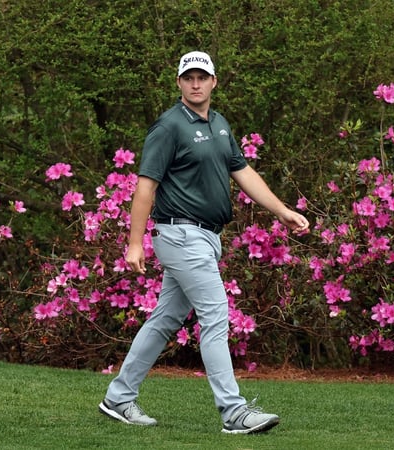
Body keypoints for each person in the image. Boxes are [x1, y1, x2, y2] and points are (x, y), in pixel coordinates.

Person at [98, 51, 309, 434]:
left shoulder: (220, 125)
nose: (195, 83)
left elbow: (242, 172)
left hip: (205, 237)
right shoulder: (169, 126)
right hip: (180, 233)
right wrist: (134, 243)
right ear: (179, 83)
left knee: (165, 319)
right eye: (188, 77)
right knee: (215, 316)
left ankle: (118, 397)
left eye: (202, 77)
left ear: (214, 82)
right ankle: (234, 412)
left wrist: (281, 210)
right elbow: (145, 187)